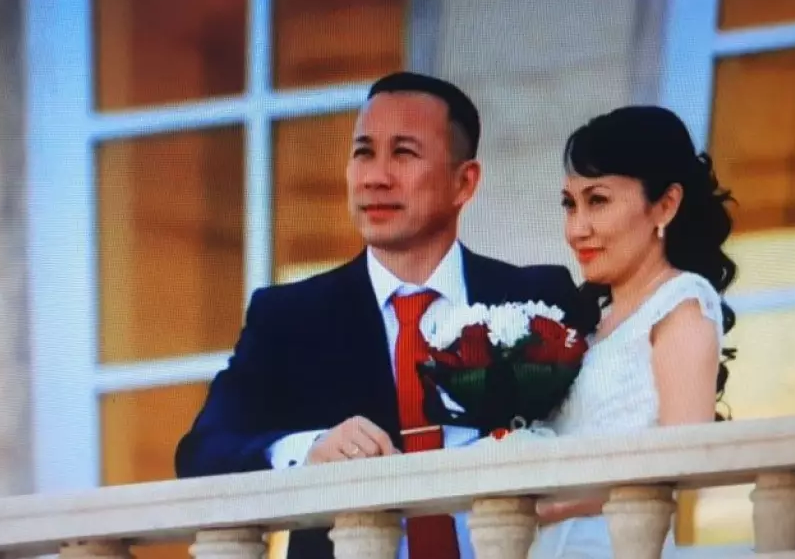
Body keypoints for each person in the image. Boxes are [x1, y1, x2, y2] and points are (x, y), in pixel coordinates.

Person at [175, 71, 598, 559]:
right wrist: (306, 449)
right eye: (363, 152)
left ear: (464, 182)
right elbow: (202, 452)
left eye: (403, 153)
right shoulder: (289, 317)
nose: (375, 177)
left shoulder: (535, 297)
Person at [526, 105, 738, 559]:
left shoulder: (681, 302)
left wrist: (565, 502)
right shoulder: (590, 322)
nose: (577, 229)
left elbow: (685, 458)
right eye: (570, 205)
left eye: (598, 201)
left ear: (666, 205)